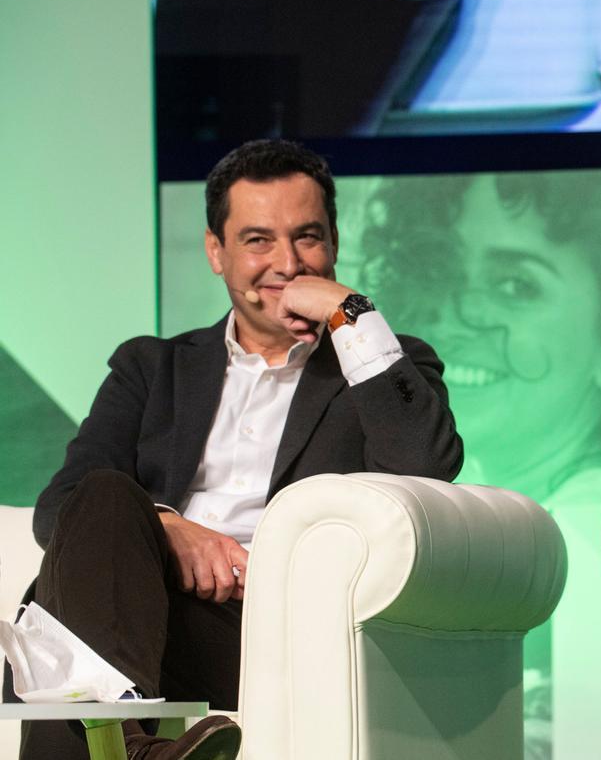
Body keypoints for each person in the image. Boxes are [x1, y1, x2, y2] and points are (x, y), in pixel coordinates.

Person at [4, 139, 462, 760]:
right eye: (257, 241)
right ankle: (139, 749)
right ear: (216, 251)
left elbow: (427, 471)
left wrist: (348, 313)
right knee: (106, 497)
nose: (287, 263)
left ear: (334, 243)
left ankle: (131, 746)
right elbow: (59, 509)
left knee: (58, 652)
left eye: (307, 236)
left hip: (266, 630)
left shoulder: (378, 363)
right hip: (134, 608)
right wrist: (169, 527)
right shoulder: (151, 367)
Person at [357, 169, 601, 758]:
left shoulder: (583, 538)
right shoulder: (519, 512)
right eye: (443, 270)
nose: (462, 312)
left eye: (517, 284)